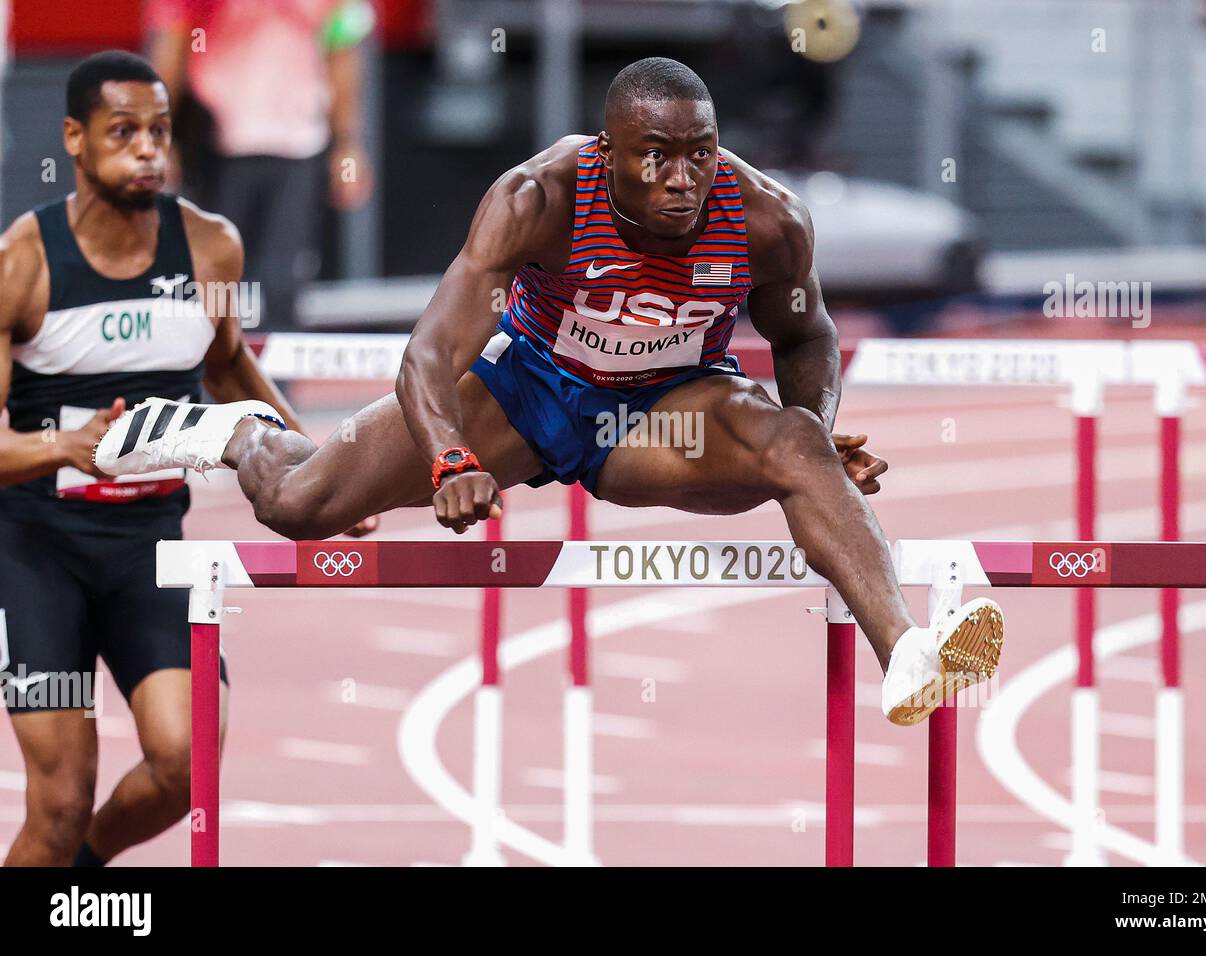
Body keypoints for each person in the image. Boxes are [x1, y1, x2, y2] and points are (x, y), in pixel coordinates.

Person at [97, 57, 1006, 727]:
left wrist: (818, 426)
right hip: (526, 390)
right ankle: (237, 430)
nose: (683, 179)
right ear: (611, 150)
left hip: (666, 410)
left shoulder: (765, 219)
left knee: (796, 450)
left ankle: (908, 652)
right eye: (657, 157)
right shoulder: (539, 197)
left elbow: (806, 334)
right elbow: (426, 353)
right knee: (300, 503)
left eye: (701, 154)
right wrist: (452, 454)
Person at [0, 50, 308, 866]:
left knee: (186, 764)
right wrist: (65, 446)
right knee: (59, 803)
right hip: (37, 551)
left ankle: (83, 874)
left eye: (161, 133)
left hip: (153, 553)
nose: (148, 150)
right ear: (74, 138)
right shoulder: (22, 265)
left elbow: (228, 366)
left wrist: (316, 464)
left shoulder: (210, 249)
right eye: (124, 132)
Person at [147, 0, 376, 330]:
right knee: (208, 276)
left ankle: (274, 382)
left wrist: (348, 145)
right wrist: (160, 136)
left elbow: (342, 54)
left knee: (282, 280)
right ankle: (205, 375)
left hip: (298, 146)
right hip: (216, 146)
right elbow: (171, 50)